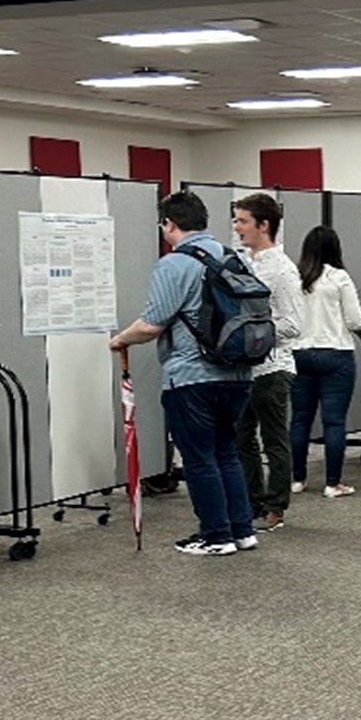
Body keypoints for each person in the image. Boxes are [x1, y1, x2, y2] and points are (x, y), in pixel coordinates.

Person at [109, 191, 255, 557]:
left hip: (192, 376)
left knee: (199, 458)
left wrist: (119, 340)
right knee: (226, 452)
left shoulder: (174, 264)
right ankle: (242, 530)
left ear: (168, 225)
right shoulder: (232, 257)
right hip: (237, 372)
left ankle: (216, 536)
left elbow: (152, 325)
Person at [231, 194, 302, 532]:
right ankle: (252, 501)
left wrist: (253, 334)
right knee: (240, 437)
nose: (237, 227)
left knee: (274, 440)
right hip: (243, 369)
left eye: (243, 221)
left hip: (273, 368)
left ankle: (276, 507)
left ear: (264, 225)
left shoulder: (283, 270)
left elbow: (293, 324)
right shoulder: (242, 263)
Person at [290, 226, 361, 499]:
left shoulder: (295, 277)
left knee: (300, 420)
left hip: (300, 354)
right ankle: (333, 484)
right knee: (334, 422)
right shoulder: (339, 277)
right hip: (336, 354)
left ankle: (298, 479)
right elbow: (356, 320)